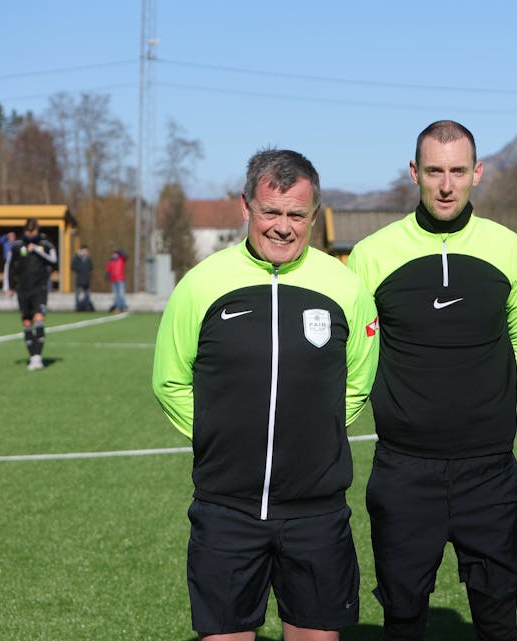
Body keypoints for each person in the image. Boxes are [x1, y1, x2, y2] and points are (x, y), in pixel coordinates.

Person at [152, 148, 380, 641]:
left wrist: (315, 434)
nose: (283, 226)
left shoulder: (346, 289)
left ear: (313, 216)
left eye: (296, 214)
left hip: (316, 513)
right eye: (270, 212)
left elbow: (359, 381)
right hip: (226, 512)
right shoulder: (200, 285)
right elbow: (169, 380)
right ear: (246, 209)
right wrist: (220, 435)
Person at [346, 120, 517, 641]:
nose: (446, 184)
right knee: (403, 621)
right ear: (415, 173)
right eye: (434, 171)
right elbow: (360, 355)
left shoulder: (511, 249)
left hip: (489, 468)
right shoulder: (371, 255)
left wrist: (483, 403)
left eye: (457, 171)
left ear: (478, 173)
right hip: (404, 472)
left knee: (498, 622)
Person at [7, 218, 58, 371]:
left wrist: (35, 250)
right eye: (27, 231)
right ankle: (32, 356)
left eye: (33, 230)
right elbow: (10, 267)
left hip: (39, 288)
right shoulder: (16, 246)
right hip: (23, 289)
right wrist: (10, 286)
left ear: (37, 230)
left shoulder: (45, 245)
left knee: (39, 318)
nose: (30, 233)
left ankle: (37, 357)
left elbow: (54, 262)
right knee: (27, 322)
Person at [71, 244, 94, 311]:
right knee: (78, 293)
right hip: (80, 279)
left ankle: (87, 307)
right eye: (84, 250)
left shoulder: (88, 258)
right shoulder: (77, 258)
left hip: (86, 279)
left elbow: (91, 267)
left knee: (87, 294)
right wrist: (80, 268)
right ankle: (77, 307)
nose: (85, 252)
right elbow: (72, 267)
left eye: (86, 250)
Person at [105, 248, 128, 312]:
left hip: (120, 280)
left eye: (116, 254)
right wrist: (107, 276)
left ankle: (124, 307)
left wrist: (119, 251)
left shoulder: (121, 260)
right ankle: (117, 307)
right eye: (113, 254)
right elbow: (108, 270)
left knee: (121, 294)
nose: (114, 255)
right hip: (113, 280)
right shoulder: (110, 262)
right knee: (116, 295)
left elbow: (125, 256)